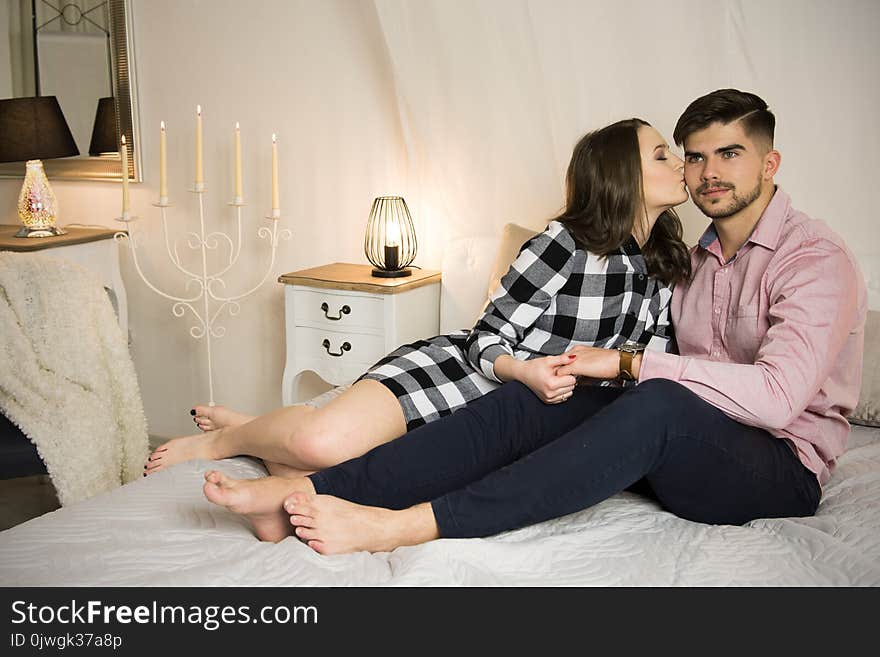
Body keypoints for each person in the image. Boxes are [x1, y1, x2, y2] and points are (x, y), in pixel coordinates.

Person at [202, 88, 867, 553]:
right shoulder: (688, 261)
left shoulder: (817, 260)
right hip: (687, 436)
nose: (706, 171)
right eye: (694, 155)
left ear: (769, 163)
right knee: (537, 402)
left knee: (654, 397)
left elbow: (778, 397)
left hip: (778, 466)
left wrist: (631, 364)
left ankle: (405, 526)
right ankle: (309, 492)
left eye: (730, 154)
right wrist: (577, 372)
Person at [145, 117, 690, 478]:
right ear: (622, 175)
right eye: (663, 155)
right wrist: (527, 373)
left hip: (510, 423)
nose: (680, 164)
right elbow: (486, 337)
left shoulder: (664, 263)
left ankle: (255, 429)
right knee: (319, 448)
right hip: (459, 375)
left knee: (312, 475)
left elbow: (651, 363)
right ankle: (226, 441)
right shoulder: (564, 245)